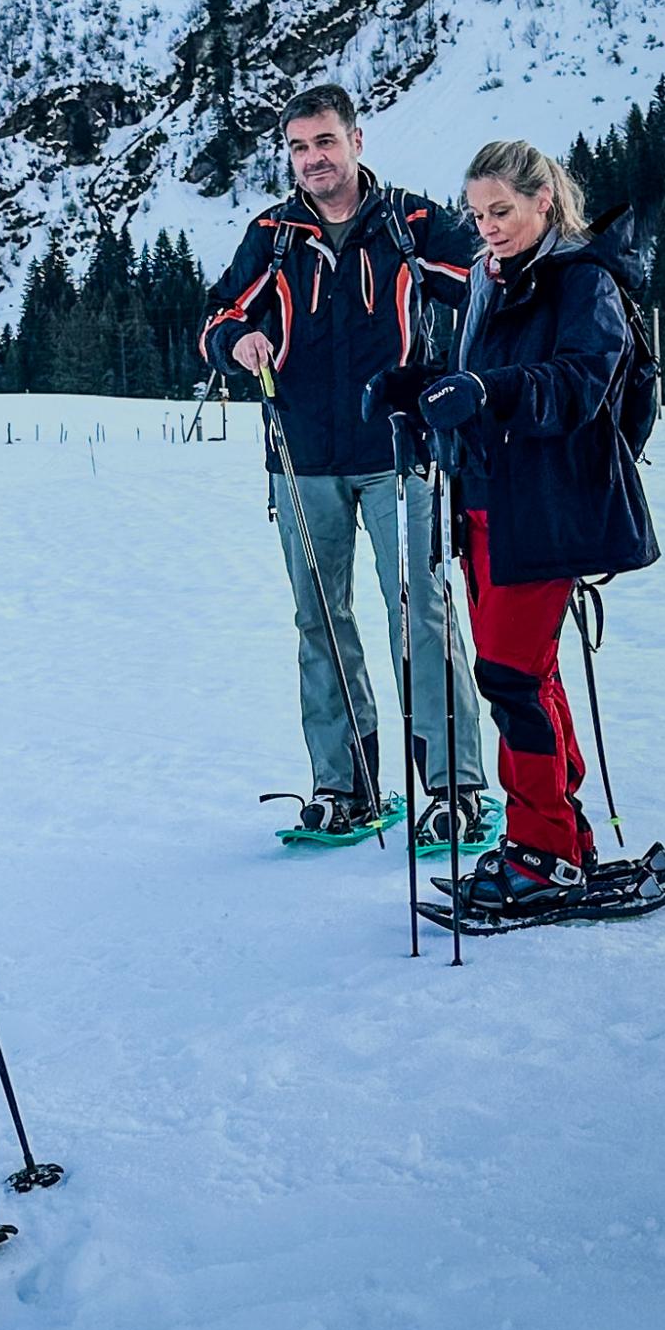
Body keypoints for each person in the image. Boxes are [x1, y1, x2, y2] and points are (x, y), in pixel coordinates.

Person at [199, 83, 489, 842]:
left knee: (421, 612)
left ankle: (454, 788)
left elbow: (489, 293)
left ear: (356, 141)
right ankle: (345, 787)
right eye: (298, 148)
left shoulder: (413, 223)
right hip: (302, 460)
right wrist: (239, 343)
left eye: (324, 142)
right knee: (320, 620)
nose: (312, 160)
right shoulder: (274, 234)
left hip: (402, 454)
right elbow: (220, 318)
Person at [404, 139, 658, 914]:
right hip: (485, 507)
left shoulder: (583, 279)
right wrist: (414, 391)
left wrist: (488, 388)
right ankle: (557, 842)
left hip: (547, 509)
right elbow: (481, 386)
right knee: (529, 676)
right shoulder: (496, 279)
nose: (486, 227)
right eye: (476, 213)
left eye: (502, 211)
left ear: (544, 201)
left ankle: (545, 850)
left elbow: (582, 382)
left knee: (511, 680)